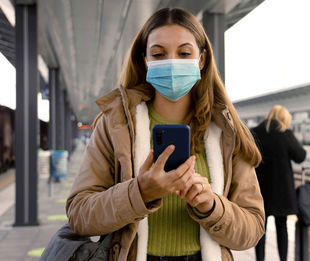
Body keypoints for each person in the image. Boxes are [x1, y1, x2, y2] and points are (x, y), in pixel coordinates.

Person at [66, 7, 265, 261]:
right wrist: (140, 193)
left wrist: (212, 206)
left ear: (202, 60)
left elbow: (253, 228)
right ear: (145, 60)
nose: (172, 63)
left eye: (184, 53)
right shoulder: (115, 124)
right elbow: (79, 213)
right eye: (158, 54)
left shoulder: (226, 130)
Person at [251, 105, 306, 261]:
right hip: (282, 190)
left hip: (261, 189)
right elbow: (300, 156)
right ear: (284, 119)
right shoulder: (285, 133)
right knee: (282, 227)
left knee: (261, 229)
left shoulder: (255, 132)